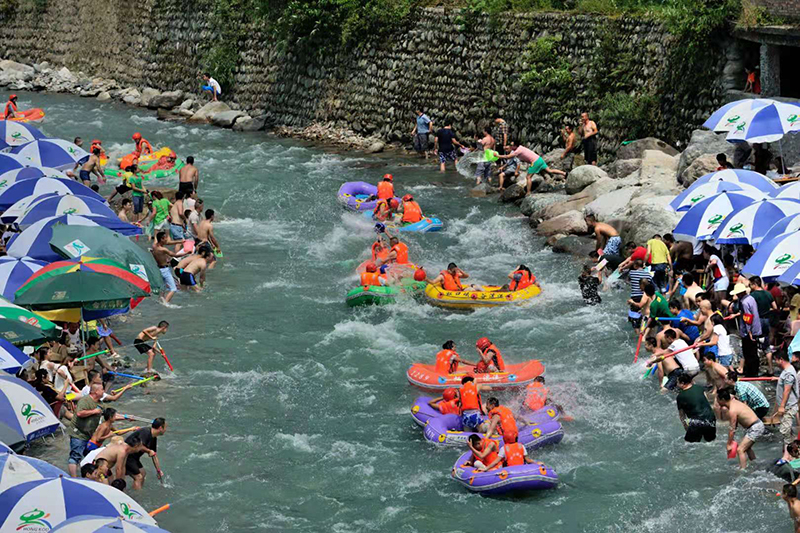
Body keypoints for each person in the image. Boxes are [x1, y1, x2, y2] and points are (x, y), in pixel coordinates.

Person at [717, 388, 768, 468]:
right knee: (747, 448)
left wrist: (729, 444)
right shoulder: (733, 401)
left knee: (740, 450)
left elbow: (732, 429)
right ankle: (755, 464)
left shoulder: (732, 411)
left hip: (755, 427)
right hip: (755, 425)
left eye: (718, 399)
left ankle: (742, 471)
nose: (717, 401)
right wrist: (731, 439)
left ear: (723, 399)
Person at [67, 383, 106, 477]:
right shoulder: (85, 400)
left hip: (89, 435)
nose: (104, 391)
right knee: (75, 456)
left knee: (90, 456)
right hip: (78, 433)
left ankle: (89, 476)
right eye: (102, 389)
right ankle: (74, 478)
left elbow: (108, 415)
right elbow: (79, 413)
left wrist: (126, 417)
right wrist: (94, 411)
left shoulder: (101, 404)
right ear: (96, 391)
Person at [497, 143, 566, 194]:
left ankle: (528, 192)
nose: (510, 146)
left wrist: (498, 156)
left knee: (528, 177)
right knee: (549, 170)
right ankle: (564, 173)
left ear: (515, 146)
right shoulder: (521, 147)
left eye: (512, 145)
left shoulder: (518, 151)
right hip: (539, 159)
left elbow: (508, 157)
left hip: (535, 162)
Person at [125, 418, 167, 490]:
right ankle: (137, 495)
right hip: (127, 455)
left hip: (134, 458)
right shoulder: (146, 432)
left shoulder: (153, 438)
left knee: (143, 473)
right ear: (160, 428)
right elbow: (140, 446)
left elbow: (154, 455)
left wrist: (158, 471)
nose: (166, 430)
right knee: (138, 477)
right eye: (165, 427)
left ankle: (137, 489)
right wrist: (148, 451)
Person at [731, 283, 762, 377]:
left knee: (748, 353)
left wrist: (749, 332)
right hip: (755, 328)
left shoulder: (744, 302)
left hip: (749, 331)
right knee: (753, 352)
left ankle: (751, 373)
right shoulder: (751, 298)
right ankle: (754, 372)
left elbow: (747, 318)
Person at [676, 373, 716, 442]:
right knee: (710, 442)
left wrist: (686, 427)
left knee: (689, 443)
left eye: (677, 382)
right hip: (711, 418)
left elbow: (682, 415)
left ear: (682, 383)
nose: (676, 384)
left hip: (697, 422)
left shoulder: (680, 396)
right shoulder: (699, 388)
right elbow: (707, 401)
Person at [774, 350, 800, 453]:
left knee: (785, 431)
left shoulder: (789, 372)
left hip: (788, 406)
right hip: (788, 406)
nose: (775, 363)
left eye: (776, 360)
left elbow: (787, 390)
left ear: (781, 359)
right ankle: (792, 452)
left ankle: (788, 455)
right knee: (788, 431)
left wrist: (782, 406)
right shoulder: (787, 370)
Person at [152, 231, 181, 303]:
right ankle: (165, 303)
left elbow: (167, 243)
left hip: (159, 269)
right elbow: (175, 255)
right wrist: (186, 253)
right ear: (161, 239)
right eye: (165, 238)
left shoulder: (154, 246)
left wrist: (180, 241)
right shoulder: (163, 249)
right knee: (173, 288)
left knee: (163, 287)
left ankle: (160, 300)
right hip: (165, 270)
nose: (167, 239)